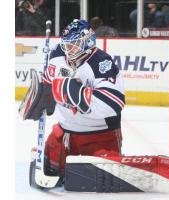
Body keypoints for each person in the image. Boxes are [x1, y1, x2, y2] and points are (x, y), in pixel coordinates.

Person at [19, 19, 125, 178]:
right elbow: (49, 82)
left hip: (99, 135)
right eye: (66, 43)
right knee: (51, 166)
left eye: (74, 43)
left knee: (101, 177)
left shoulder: (102, 63)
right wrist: (43, 95)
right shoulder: (56, 55)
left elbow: (114, 104)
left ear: (88, 41)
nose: (68, 48)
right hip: (66, 135)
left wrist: (76, 94)